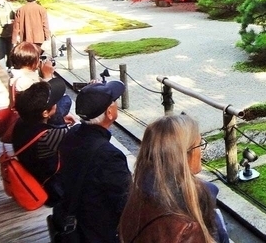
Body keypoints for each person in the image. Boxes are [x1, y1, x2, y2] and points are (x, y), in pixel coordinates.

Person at [119, 114, 229, 243]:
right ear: (183, 156)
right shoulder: (188, 226)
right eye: (200, 144)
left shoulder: (138, 193)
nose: (201, 151)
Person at [54, 81, 131, 243]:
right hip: (96, 231)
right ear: (109, 112)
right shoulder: (109, 156)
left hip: (75, 214)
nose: (116, 103)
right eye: (114, 101)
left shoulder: (73, 133)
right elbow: (125, 202)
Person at [12, 79, 72, 206]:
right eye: (54, 101)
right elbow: (85, 135)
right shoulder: (49, 137)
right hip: (50, 189)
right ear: (45, 113)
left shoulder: (21, 122)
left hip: (33, 171)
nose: (57, 102)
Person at [8, 41, 72, 126]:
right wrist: (48, 76)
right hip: (35, 116)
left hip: (27, 113)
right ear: (34, 61)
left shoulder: (14, 76)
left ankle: (60, 120)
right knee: (66, 100)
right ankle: (58, 127)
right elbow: (44, 98)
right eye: (39, 58)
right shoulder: (26, 80)